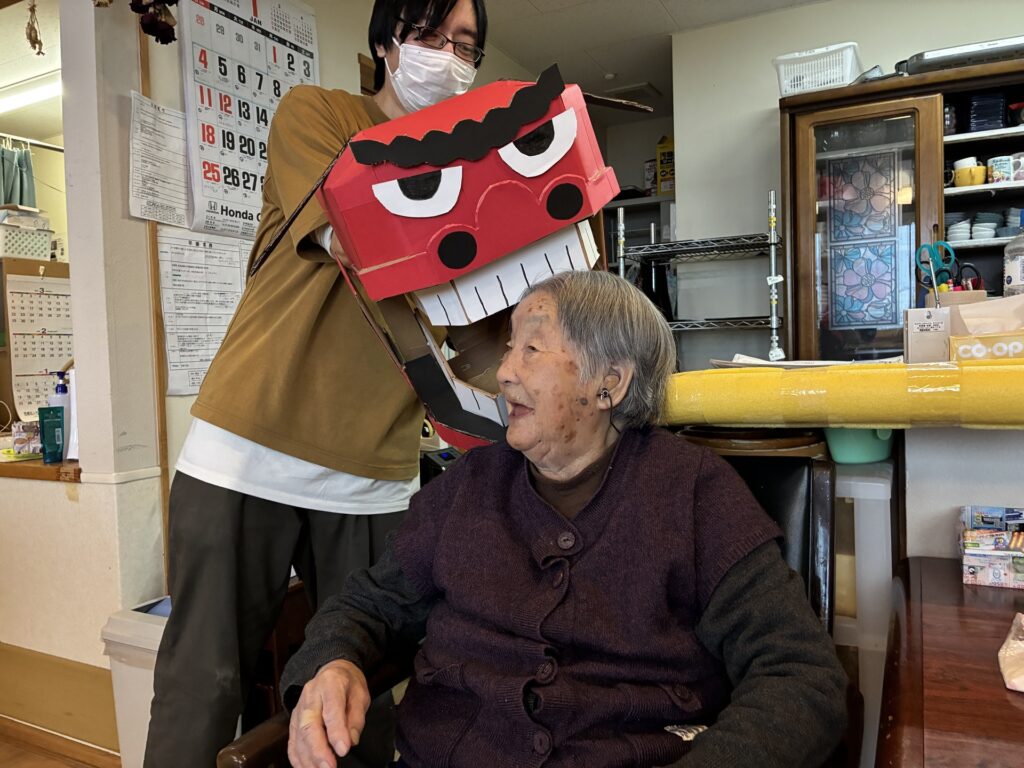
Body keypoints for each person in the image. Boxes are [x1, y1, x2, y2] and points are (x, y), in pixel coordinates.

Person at [281, 270, 849, 768]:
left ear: (610, 383)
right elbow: (369, 604)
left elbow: (800, 676)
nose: (503, 373)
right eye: (509, 349)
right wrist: (333, 663)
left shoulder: (694, 494)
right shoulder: (468, 487)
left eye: (531, 349)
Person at [143, 2, 488, 766]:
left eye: (465, 46)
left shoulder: (473, 183)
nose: (447, 58)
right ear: (386, 42)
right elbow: (359, 229)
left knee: (363, 698)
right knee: (203, 691)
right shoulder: (319, 115)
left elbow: (480, 336)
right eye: (430, 36)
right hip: (247, 448)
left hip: (373, 473)